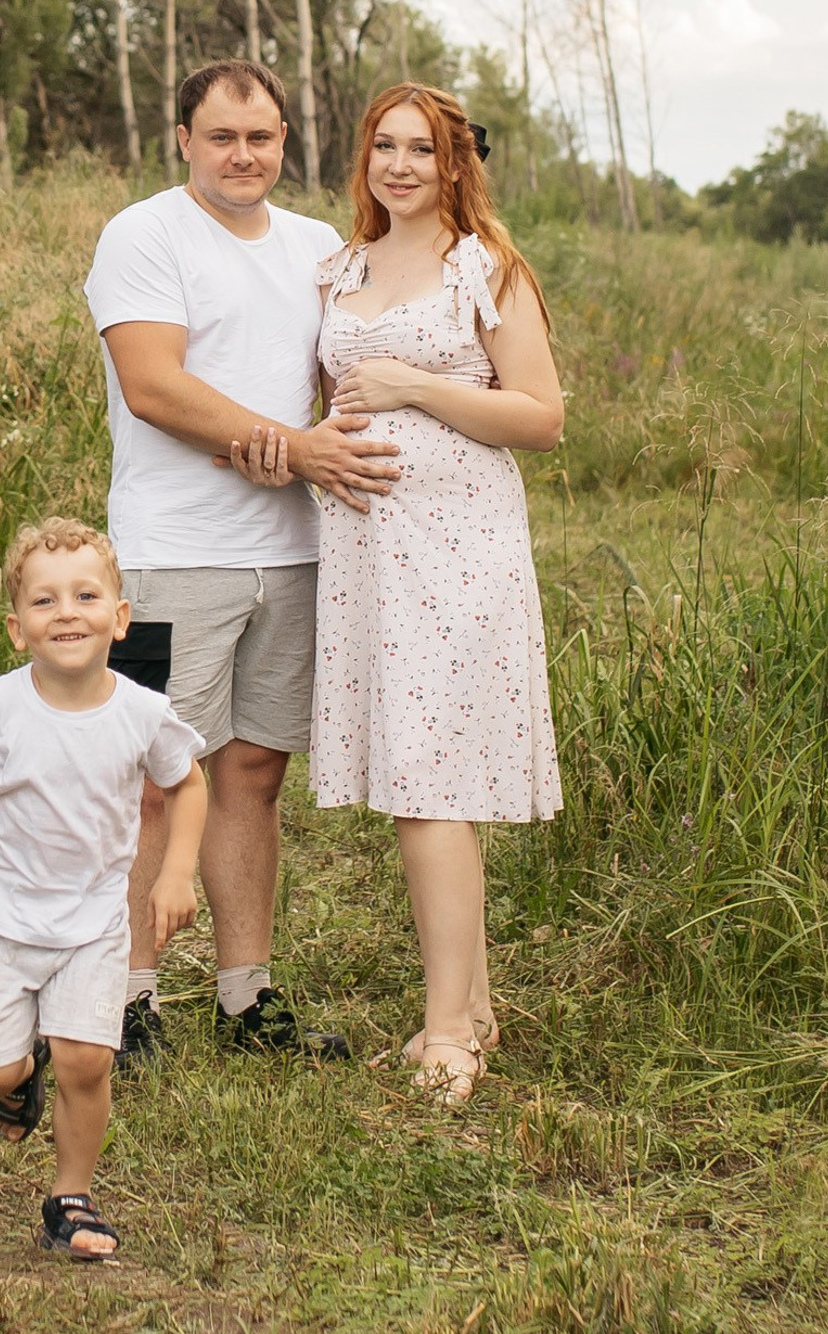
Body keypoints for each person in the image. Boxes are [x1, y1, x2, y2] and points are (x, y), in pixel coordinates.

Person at [232, 81, 565, 1105]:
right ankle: (474, 1007)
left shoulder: (486, 268)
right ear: (363, 158)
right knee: (418, 776)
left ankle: (446, 1036)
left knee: (430, 785)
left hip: (458, 545)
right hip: (368, 554)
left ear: (454, 161)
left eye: (422, 148)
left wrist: (416, 385)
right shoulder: (342, 267)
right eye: (385, 146)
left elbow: (543, 416)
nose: (401, 165)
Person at [83, 57, 396, 1064]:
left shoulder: (314, 247)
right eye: (221, 136)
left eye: (261, 137)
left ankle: (244, 998)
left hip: (292, 551)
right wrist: (291, 445)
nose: (242, 155)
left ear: (284, 142)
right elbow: (153, 387)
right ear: (183, 139)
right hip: (174, 553)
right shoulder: (144, 233)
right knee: (150, 780)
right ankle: (126, 999)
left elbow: (358, 366)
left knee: (252, 773)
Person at [0, 517, 207, 1261]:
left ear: (120, 619)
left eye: (86, 595)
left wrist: (175, 871)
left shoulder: (141, 712)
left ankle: (71, 1196)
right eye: (44, 601)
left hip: (94, 919)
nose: (66, 612)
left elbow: (187, 783)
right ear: (17, 628)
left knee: (87, 1061)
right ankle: (14, 1081)